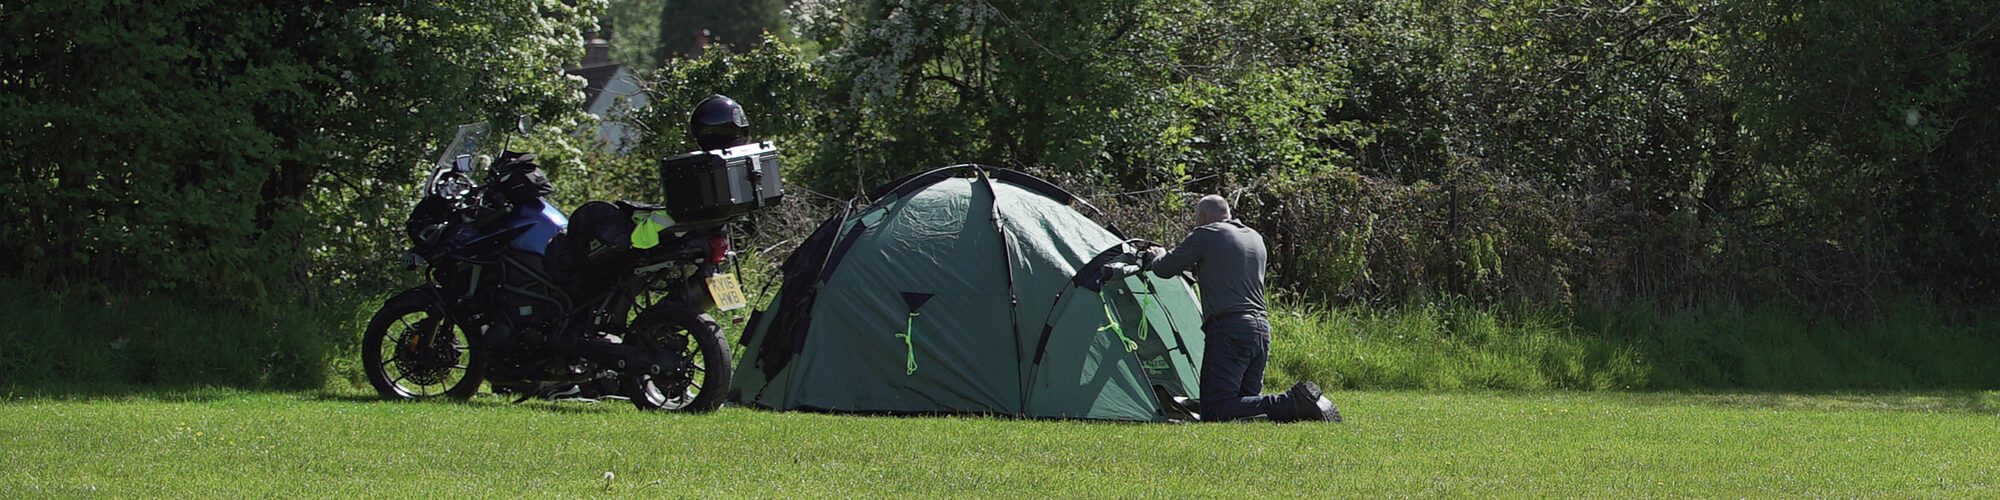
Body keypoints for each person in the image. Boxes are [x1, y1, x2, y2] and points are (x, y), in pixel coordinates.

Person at [1147, 195, 1340, 423]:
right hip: (1260, 329)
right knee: (1246, 405)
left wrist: (1158, 256)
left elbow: (1164, 269)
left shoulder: (1207, 234)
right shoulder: (1254, 237)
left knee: (1215, 410)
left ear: (1201, 217)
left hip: (1230, 328)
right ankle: (1310, 407)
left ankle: (1294, 402)